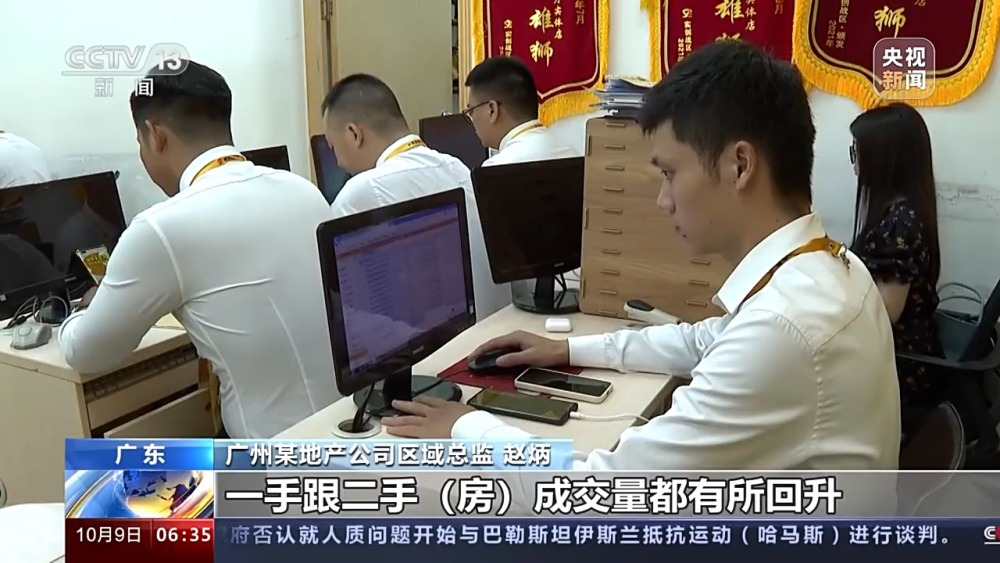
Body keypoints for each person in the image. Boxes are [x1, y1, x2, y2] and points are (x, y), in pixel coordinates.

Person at [382, 41, 902, 471]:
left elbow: (598, 495)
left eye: (670, 173)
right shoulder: (830, 266)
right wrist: (568, 350)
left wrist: (466, 427)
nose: (662, 200)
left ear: (739, 166)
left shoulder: (782, 328)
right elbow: (704, 341)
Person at [58, 60, 339, 439]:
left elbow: (87, 353)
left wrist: (78, 312)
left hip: (269, 453)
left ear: (155, 135)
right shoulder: (303, 190)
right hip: (349, 428)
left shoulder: (161, 228)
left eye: (139, 143)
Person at [322, 73, 509, 319]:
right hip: (493, 325)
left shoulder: (361, 192)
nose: (338, 162)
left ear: (354, 134)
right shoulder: (456, 166)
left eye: (333, 148)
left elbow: (341, 304)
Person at [849, 102, 944, 434]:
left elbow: (885, 312)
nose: (854, 161)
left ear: (883, 159)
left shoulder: (900, 224)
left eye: (857, 152)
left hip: (902, 366)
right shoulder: (901, 213)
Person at [463, 56, 577, 166]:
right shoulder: (571, 153)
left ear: (492, 110)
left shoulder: (496, 168)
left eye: (471, 111)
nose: (472, 120)